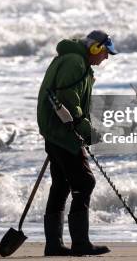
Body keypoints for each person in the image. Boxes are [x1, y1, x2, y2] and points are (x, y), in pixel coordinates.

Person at [36, 30, 118, 256]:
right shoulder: (75, 63)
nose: (106, 58)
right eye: (105, 52)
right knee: (85, 182)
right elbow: (69, 102)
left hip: (56, 129)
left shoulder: (75, 61)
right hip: (63, 131)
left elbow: (71, 101)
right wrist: (87, 132)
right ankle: (80, 243)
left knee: (61, 185)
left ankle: (54, 245)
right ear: (95, 48)